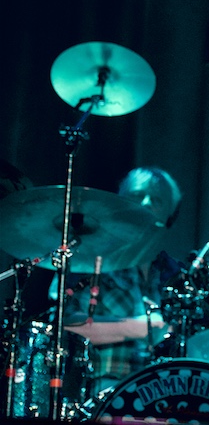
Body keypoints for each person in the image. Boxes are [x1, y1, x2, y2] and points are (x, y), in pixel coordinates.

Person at [56, 166, 184, 394]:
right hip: (105, 396)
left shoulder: (177, 274)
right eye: (136, 196)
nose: (145, 204)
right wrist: (138, 328)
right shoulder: (92, 261)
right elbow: (65, 324)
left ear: (170, 216)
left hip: (169, 396)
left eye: (156, 200)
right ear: (120, 203)